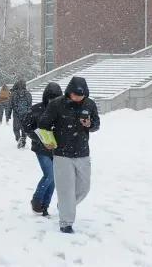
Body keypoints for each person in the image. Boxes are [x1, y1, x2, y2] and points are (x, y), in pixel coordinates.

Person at [38, 76, 100, 234]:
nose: (79, 98)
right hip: (62, 154)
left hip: (82, 152)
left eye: (81, 95)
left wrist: (90, 124)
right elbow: (43, 124)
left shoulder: (90, 104)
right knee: (66, 189)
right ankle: (66, 222)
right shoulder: (56, 104)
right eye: (75, 95)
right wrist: (47, 140)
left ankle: (65, 205)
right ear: (69, 92)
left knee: (84, 187)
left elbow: (97, 124)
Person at [22, 83, 62, 216]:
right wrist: (40, 138)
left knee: (54, 178)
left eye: (56, 98)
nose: (53, 101)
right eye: (51, 98)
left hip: (56, 149)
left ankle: (44, 206)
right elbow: (27, 127)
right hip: (41, 149)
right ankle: (37, 200)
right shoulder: (36, 109)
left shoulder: (62, 109)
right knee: (50, 175)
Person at [10, 80, 33, 149]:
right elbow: (30, 105)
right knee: (24, 129)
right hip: (26, 114)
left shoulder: (13, 94)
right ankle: (23, 142)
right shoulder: (28, 94)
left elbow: (10, 105)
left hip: (16, 114)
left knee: (16, 129)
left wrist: (8, 115)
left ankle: (18, 139)